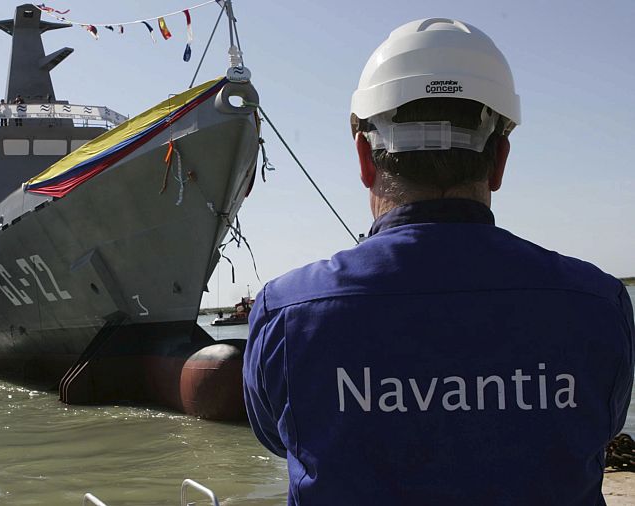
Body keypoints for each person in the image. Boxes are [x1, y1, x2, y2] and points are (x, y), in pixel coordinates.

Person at [243, 18, 634, 505]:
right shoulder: (598, 305)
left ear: (365, 159)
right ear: (500, 160)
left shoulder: (286, 314)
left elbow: (278, 436)